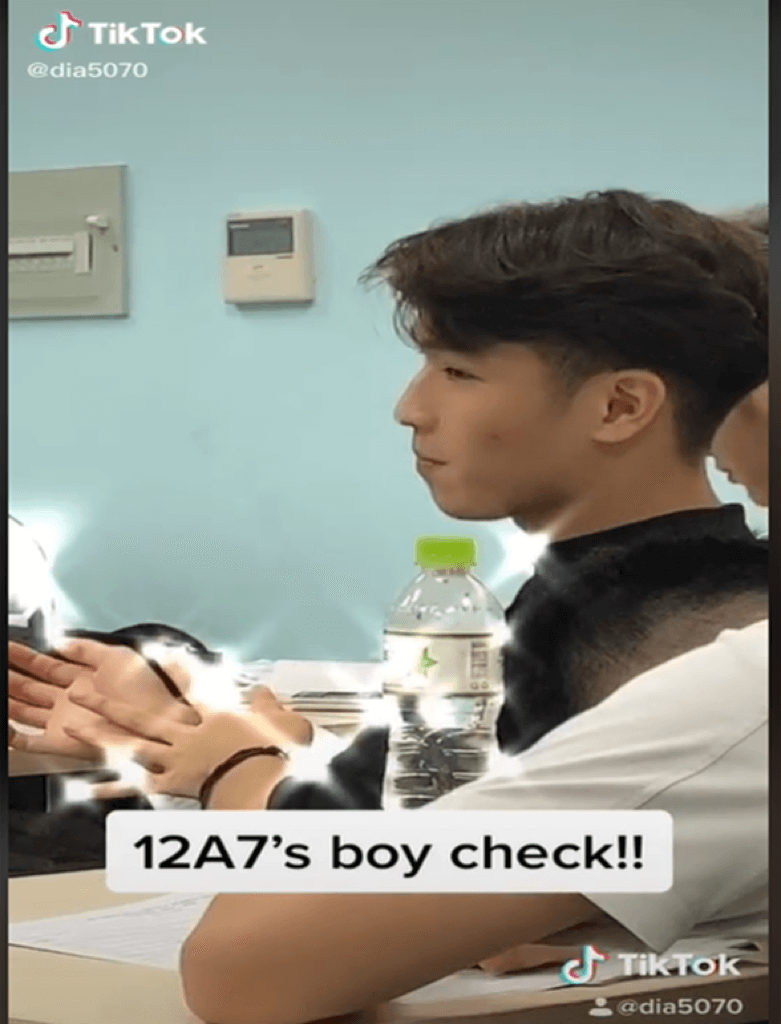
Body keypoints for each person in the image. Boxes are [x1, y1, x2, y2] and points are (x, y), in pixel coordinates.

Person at [8, 192, 769, 1022]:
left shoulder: (653, 637)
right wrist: (211, 735)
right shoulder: (636, 585)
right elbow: (431, 815)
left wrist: (229, 763)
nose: (411, 408)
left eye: (458, 372)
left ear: (619, 407)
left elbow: (324, 888)